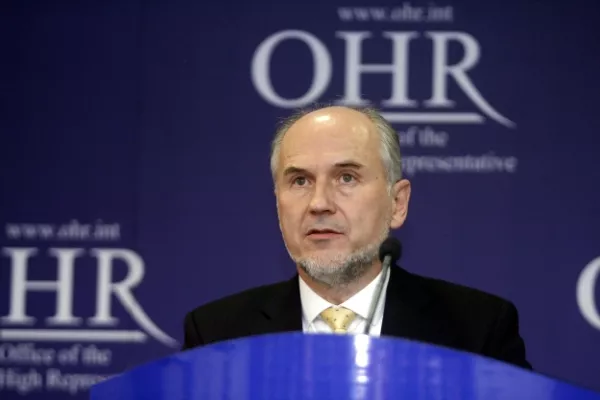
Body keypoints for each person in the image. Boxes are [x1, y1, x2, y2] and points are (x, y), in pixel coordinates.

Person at [181, 104, 532, 369]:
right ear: (277, 203)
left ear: (397, 203)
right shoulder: (217, 336)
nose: (319, 203)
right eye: (300, 181)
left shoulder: (476, 331)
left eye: (346, 177)